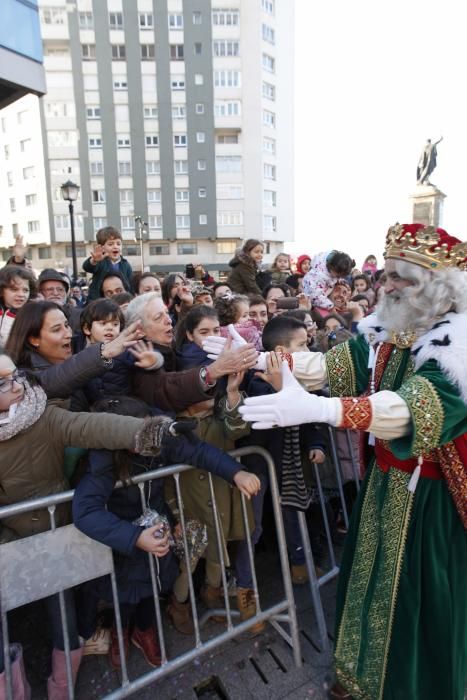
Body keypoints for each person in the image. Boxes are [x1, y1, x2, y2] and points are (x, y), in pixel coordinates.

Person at [238, 222, 467, 700]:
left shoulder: (459, 346)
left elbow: (413, 410)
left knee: (416, 600)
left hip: (429, 500)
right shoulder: (388, 330)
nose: (389, 285)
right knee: (365, 582)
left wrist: (322, 410)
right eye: (388, 275)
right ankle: (360, 677)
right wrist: (257, 361)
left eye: (402, 277)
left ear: (439, 284)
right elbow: (331, 366)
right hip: (385, 483)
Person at [0, 351, 209, 699]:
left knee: (63, 619)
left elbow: (92, 426)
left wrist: (151, 430)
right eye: (4, 382)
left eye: (17, 376)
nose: (18, 387)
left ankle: (61, 689)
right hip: (10, 543)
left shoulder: (42, 414)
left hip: (56, 534)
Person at [72, 395, 259, 668]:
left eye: (150, 429)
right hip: (122, 538)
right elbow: (85, 511)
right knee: (123, 594)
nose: (148, 439)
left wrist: (235, 472)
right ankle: (121, 632)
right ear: (117, 434)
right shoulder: (102, 460)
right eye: (139, 434)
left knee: (155, 586)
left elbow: (197, 452)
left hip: (157, 529)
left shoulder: (157, 437)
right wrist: (134, 537)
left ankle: (144, 630)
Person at [241, 316, 326, 585]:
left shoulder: (301, 378)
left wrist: (316, 443)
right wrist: (280, 389)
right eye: (301, 346)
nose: (308, 353)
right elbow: (262, 422)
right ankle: (244, 584)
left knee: (293, 513)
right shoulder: (257, 379)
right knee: (251, 526)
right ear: (281, 352)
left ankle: (299, 565)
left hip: (288, 465)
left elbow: (311, 412)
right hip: (259, 464)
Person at [125, 293, 259, 413]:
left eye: (167, 313)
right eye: (158, 317)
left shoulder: (170, 349)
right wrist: (213, 371)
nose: (169, 320)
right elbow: (163, 391)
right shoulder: (137, 356)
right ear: (140, 330)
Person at [82, 226, 133, 301]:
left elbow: (130, 285)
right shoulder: (100, 262)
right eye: (110, 244)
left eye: (118, 244)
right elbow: (87, 267)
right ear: (102, 248)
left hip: (120, 300)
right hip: (99, 301)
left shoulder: (125, 264)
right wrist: (94, 260)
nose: (115, 246)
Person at [0, 266, 36, 347]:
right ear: (1, 291)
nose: (21, 295)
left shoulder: (33, 314)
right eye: (14, 289)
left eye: (25, 290)